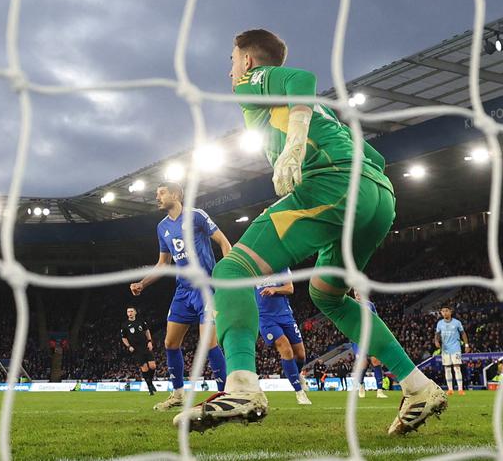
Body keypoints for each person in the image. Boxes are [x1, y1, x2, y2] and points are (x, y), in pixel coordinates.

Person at [176, 28, 446, 436]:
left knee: (232, 271)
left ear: (248, 61)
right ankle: (418, 385)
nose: (229, 72)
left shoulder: (254, 83)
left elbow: (302, 78)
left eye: (231, 62)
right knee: (326, 294)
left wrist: (296, 144)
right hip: (378, 195)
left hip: (334, 186)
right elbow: (370, 153)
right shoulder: (315, 116)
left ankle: (243, 386)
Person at [131, 182, 232, 411]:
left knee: (208, 342)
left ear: (176, 195)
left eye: (162, 193)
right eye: (157, 193)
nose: (157, 197)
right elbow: (163, 263)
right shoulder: (162, 227)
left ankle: (225, 394)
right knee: (170, 343)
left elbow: (224, 243)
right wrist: (143, 283)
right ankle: (177, 394)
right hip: (182, 291)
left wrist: (228, 274)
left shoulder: (196, 216)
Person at [255, 269, 312, 405]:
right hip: (265, 318)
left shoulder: (281, 266)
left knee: (301, 355)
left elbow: (289, 288)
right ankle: (299, 392)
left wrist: (275, 289)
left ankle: (296, 376)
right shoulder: (254, 268)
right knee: (285, 348)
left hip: (286, 316)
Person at [350, 290, 388, 400]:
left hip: (371, 337)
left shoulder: (370, 305)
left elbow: (376, 320)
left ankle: (379, 390)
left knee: (376, 361)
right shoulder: (350, 305)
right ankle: (361, 385)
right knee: (362, 363)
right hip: (357, 338)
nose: (357, 293)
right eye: (355, 291)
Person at [119, 307, 157, 396]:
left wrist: (149, 341)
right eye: (128, 311)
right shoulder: (124, 325)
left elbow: (147, 331)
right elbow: (123, 338)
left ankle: (150, 383)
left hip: (145, 346)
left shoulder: (141, 321)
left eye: (131, 311)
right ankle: (150, 388)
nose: (130, 313)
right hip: (136, 349)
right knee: (145, 368)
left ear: (135, 312)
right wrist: (129, 346)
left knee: (153, 366)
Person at [435, 305, 468, 395]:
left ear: (450, 311)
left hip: (455, 348)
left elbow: (463, 333)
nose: (445, 312)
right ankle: (450, 389)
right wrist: (436, 341)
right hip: (445, 349)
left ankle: (460, 389)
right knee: (447, 368)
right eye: (443, 311)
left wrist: (466, 345)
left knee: (457, 367)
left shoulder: (457, 322)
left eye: (446, 311)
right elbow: (437, 334)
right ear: (441, 313)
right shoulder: (440, 323)